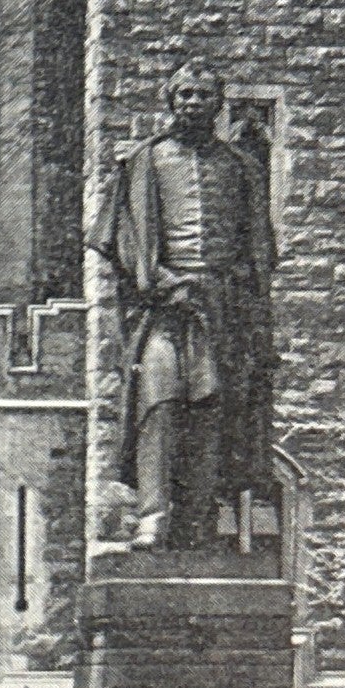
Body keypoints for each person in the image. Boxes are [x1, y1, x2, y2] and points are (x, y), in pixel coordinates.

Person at [90, 62, 276, 549]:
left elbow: (257, 249)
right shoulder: (143, 163)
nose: (193, 103)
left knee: (212, 409)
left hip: (221, 310)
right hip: (163, 309)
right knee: (161, 403)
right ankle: (153, 514)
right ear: (171, 102)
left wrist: (231, 284)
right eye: (185, 95)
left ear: (219, 105)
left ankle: (198, 519)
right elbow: (120, 239)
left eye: (203, 96)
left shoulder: (241, 168)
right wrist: (160, 280)